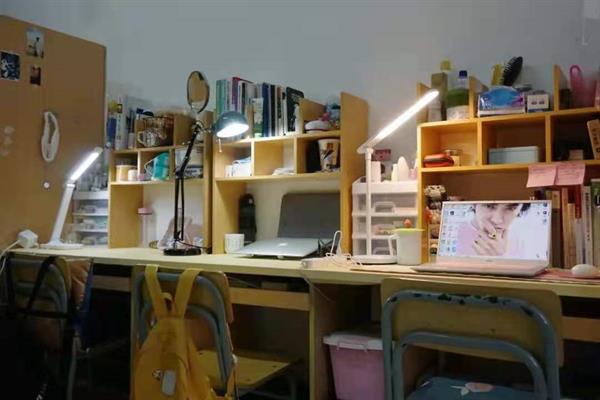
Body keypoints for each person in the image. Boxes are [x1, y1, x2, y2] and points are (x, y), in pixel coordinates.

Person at [455, 203, 531, 258]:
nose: (497, 220)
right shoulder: (454, 233)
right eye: (489, 206)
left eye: (510, 208)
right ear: (474, 204)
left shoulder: (520, 240)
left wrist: (501, 259)